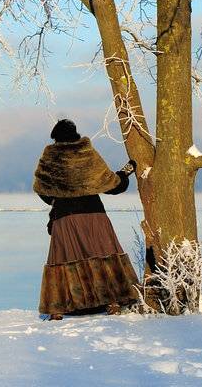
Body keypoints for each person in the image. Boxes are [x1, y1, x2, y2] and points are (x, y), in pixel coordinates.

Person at [31, 118, 142, 318]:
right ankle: (112, 302)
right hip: (93, 214)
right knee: (104, 254)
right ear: (75, 134)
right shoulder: (86, 153)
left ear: (55, 137)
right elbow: (112, 185)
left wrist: (59, 197)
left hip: (64, 217)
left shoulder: (49, 156)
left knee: (64, 259)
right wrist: (126, 173)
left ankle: (58, 308)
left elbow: (41, 189)